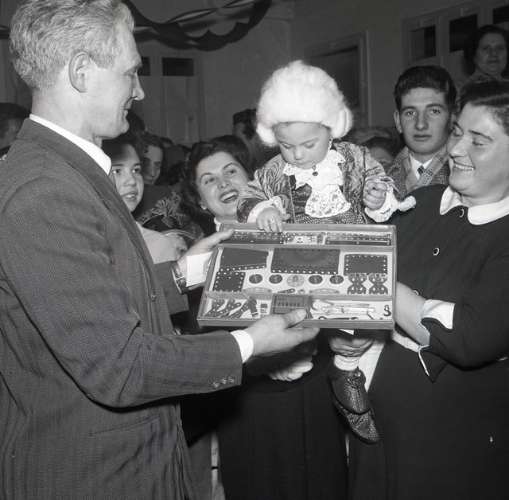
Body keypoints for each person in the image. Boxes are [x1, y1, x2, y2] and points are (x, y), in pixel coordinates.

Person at [0, 1, 319, 498]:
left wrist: (185, 274)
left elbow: (91, 300)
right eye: (131, 72)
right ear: (81, 72)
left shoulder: (67, 170)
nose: (140, 90)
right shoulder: (45, 190)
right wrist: (250, 343)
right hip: (95, 477)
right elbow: (118, 365)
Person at [236, 60, 415, 443]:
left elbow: (384, 183)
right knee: (297, 321)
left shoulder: (354, 158)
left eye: (309, 144)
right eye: (287, 146)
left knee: (360, 326)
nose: (298, 155)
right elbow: (248, 196)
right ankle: (301, 359)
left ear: (331, 129)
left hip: (353, 255)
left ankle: (348, 374)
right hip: (299, 264)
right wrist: (261, 209)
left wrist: (378, 198)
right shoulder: (274, 170)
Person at [350, 80, 509, 500]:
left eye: (479, 141)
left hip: (458, 439)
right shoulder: (420, 203)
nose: (456, 148)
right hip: (380, 423)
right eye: (457, 132)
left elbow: (468, 338)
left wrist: (374, 276)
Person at [183, 136, 348, 500]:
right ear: (199, 200)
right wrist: (254, 361)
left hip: (314, 398)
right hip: (248, 409)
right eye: (209, 180)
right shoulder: (194, 263)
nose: (224, 184)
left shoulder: (301, 228)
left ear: (252, 179)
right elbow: (198, 350)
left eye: (231, 172)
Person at [103, 132, 187, 262]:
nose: (132, 180)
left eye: (136, 170)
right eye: (117, 171)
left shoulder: (156, 243)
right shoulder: (84, 235)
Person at [388, 65, 456, 197]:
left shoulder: (472, 180)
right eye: (410, 113)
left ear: (452, 118)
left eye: (434, 111)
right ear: (398, 121)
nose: (420, 125)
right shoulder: (376, 181)